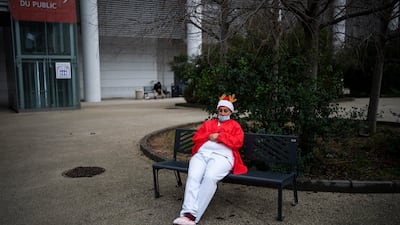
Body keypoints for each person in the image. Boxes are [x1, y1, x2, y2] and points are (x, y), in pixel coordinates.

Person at [173, 94, 248, 225]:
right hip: (202, 155)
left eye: (226, 110)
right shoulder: (209, 123)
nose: (223, 113)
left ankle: (192, 216)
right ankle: (187, 212)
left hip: (223, 157)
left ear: (230, 112)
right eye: (220, 110)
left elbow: (238, 142)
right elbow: (196, 137)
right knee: (193, 177)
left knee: (210, 177)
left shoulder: (235, 125)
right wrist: (209, 135)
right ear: (217, 111)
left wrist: (220, 136)